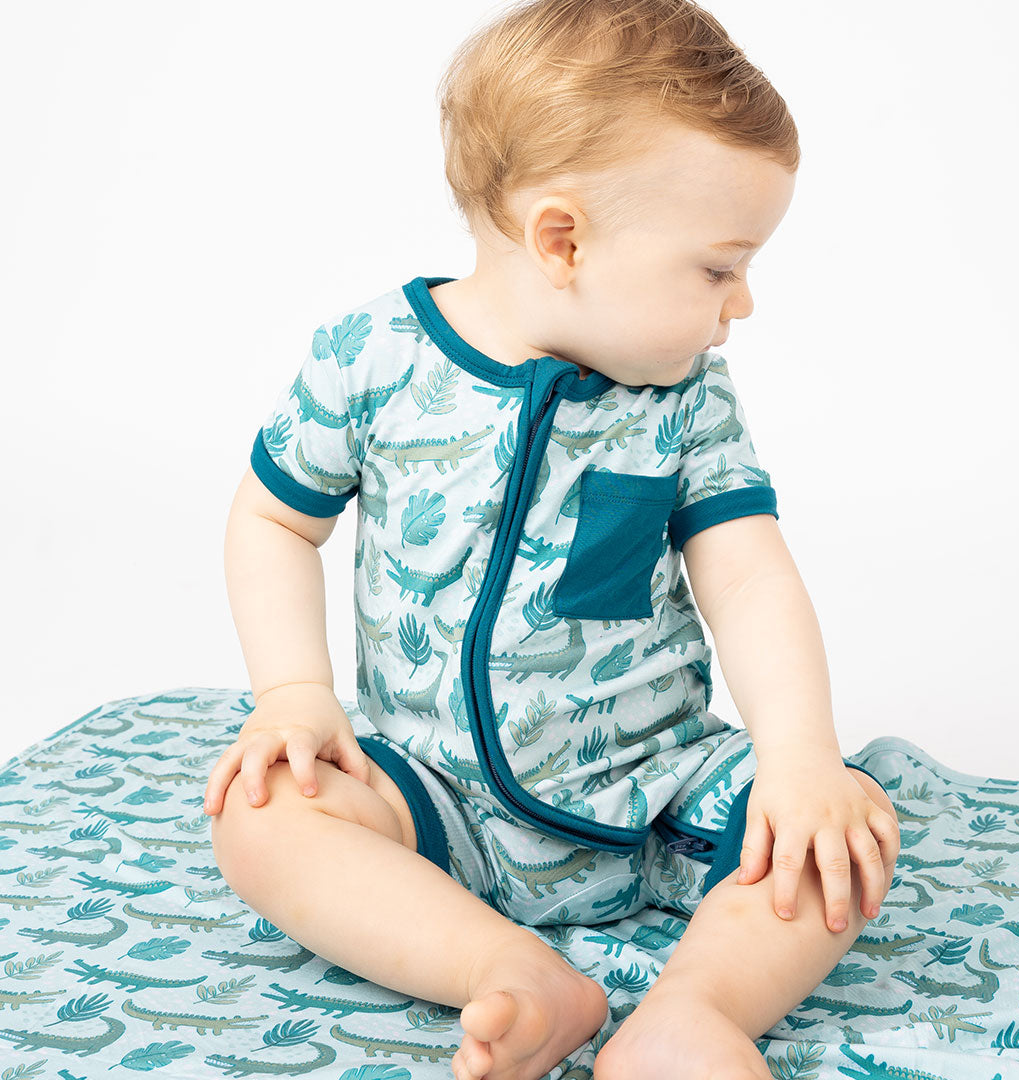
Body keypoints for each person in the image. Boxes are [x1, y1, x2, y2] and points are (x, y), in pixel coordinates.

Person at [204, 1, 901, 1078]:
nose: (744, 303)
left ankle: (695, 1010)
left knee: (847, 833)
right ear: (561, 238)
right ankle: (506, 969)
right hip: (431, 796)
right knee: (262, 818)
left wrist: (802, 759)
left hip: (657, 793)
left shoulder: (686, 402)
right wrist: (292, 693)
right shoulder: (372, 359)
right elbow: (271, 520)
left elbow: (750, 575)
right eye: (719, 269)